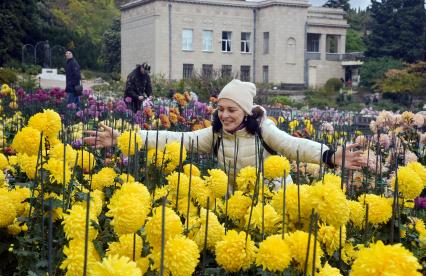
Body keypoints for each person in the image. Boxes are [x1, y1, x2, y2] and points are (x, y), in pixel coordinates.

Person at [85, 79, 366, 183]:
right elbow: (176, 138)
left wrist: (330, 156)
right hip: (235, 203)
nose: (225, 115)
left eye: (232, 110)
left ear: (245, 111)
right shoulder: (216, 135)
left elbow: (294, 145)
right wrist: (127, 138)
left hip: (275, 201)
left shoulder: (263, 130)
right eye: (221, 109)